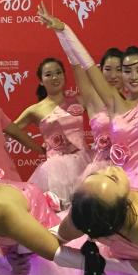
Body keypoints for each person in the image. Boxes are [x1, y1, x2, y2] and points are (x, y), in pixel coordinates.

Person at [38, 2, 138, 218]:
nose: (115, 74)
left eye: (120, 70)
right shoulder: (104, 100)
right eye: (109, 69)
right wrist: (63, 30)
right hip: (109, 175)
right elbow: (83, 63)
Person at [16, 58, 91, 206]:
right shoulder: (35, 109)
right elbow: (11, 129)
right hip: (56, 170)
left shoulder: (80, 100)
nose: (55, 77)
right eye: (48, 75)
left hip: (84, 163)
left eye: (58, 73)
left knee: (86, 207)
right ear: (41, 81)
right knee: (60, 208)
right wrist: (36, 148)